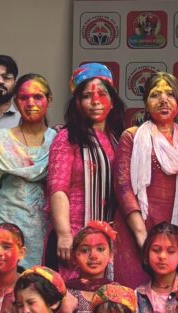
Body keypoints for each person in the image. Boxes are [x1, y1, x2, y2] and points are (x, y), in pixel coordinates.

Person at [112, 72, 178, 287]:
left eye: (170, 94)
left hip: (173, 233)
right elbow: (123, 187)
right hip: (134, 229)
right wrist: (141, 236)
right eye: (155, 95)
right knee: (132, 293)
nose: (163, 100)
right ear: (146, 103)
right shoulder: (132, 136)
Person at [48, 63, 125, 278]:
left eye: (102, 94)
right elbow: (58, 189)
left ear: (112, 101)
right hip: (74, 236)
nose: (95, 101)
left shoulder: (117, 139)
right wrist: (64, 234)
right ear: (77, 103)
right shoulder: (67, 137)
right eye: (87, 96)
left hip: (106, 240)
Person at [0, 74, 56, 270]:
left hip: (43, 235)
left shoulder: (59, 142)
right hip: (3, 233)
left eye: (37, 97)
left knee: (39, 286)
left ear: (49, 100)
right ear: (15, 101)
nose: (31, 103)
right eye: (24, 97)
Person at [60, 221, 117, 313]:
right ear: (74, 256)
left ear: (111, 255)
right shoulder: (64, 293)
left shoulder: (119, 293)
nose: (93, 256)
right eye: (85, 250)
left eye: (100, 249)